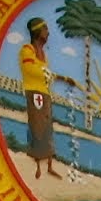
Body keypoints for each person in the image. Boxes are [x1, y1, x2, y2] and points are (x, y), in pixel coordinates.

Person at [18, 17, 76, 179]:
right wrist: (49, 75)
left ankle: (49, 165)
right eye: (45, 30)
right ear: (38, 32)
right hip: (35, 93)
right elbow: (32, 70)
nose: (48, 33)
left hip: (45, 94)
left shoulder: (43, 54)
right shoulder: (27, 50)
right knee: (37, 126)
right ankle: (37, 166)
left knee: (47, 127)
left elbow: (46, 73)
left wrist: (64, 79)